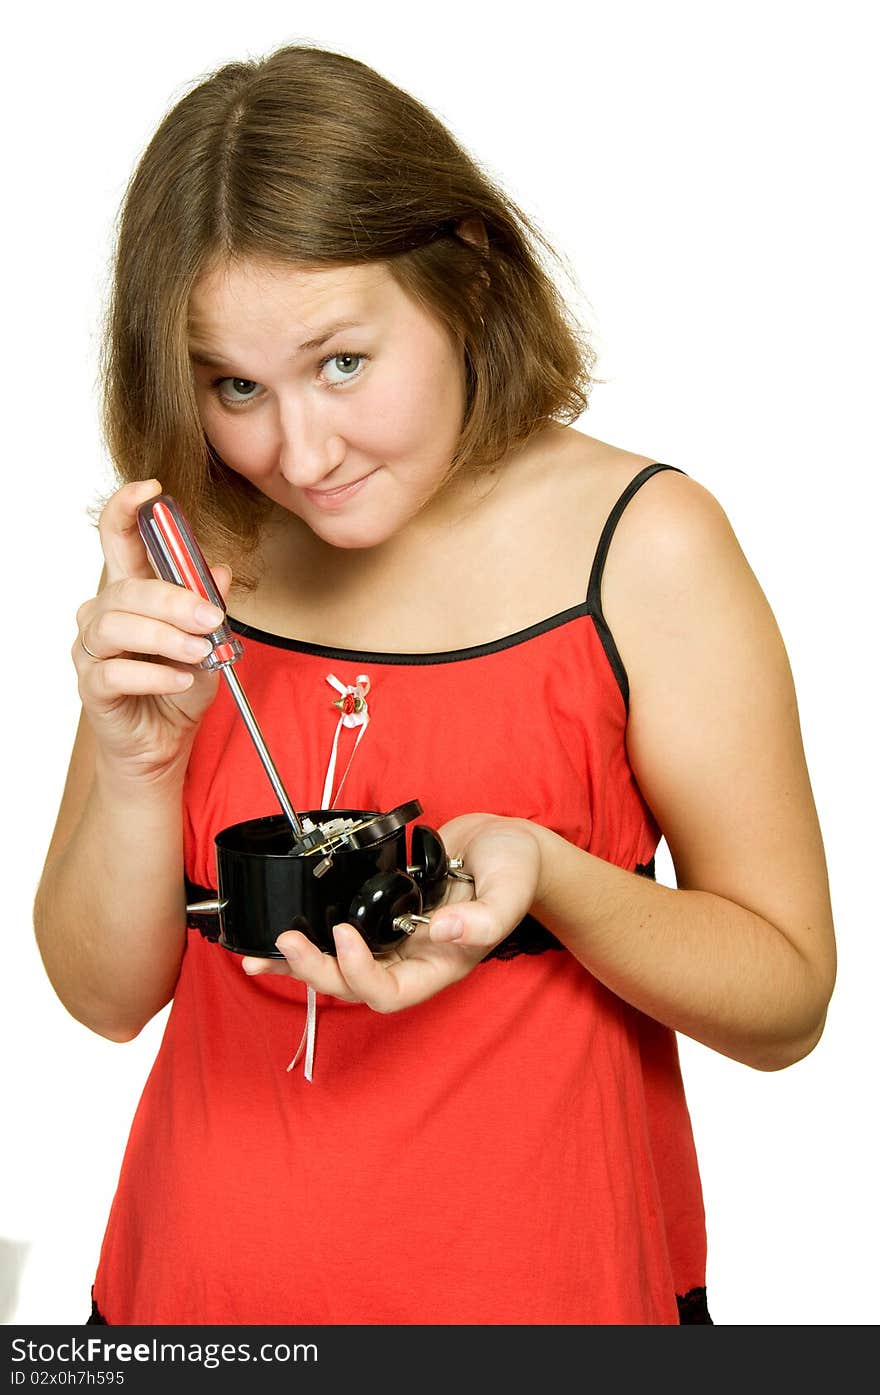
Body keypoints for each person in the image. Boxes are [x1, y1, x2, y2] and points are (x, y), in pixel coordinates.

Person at [33, 42, 836, 1327]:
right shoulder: (207, 547)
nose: (299, 450)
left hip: (552, 1302)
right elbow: (103, 997)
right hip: (193, 1303)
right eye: (236, 386)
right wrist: (133, 764)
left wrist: (553, 872)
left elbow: (785, 1000)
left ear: (463, 272)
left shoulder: (643, 544)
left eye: (341, 362)